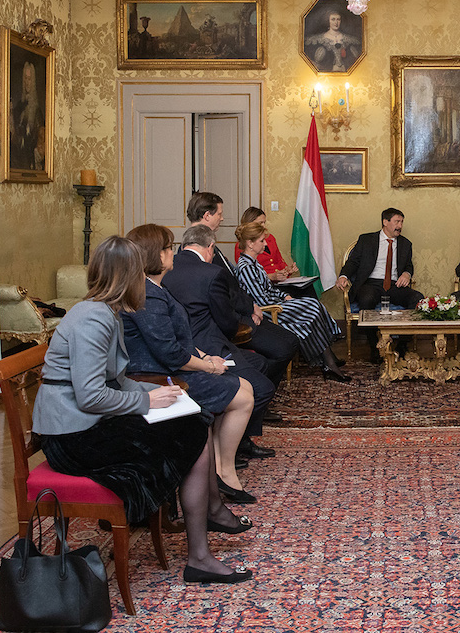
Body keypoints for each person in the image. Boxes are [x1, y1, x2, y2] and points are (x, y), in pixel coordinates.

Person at [31, 236, 253, 585]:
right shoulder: (93, 319)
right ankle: (200, 553)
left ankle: (203, 538)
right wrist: (147, 401)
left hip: (87, 424)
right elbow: (91, 396)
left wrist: (159, 392)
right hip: (72, 437)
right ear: (129, 277)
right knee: (193, 436)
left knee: (193, 421)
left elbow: (117, 381)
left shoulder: (105, 311)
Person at [121, 224, 257, 502]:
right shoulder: (147, 295)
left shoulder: (155, 288)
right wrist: (208, 367)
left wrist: (206, 356)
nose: (173, 253)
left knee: (244, 386)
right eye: (168, 248)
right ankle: (224, 471)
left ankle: (217, 468)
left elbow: (178, 338)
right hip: (158, 378)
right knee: (243, 398)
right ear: (156, 256)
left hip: (172, 369)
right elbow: (169, 352)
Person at [164, 224, 287, 483]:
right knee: (262, 388)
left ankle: (236, 437)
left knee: (260, 362)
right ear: (210, 248)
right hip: (208, 347)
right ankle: (230, 446)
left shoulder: (165, 270)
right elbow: (228, 323)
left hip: (183, 344)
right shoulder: (212, 273)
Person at [184, 194, 301, 377]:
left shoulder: (208, 245)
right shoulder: (199, 249)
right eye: (220, 213)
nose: (222, 218)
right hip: (229, 322)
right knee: (285, 345)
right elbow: (222, 293)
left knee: (290, 341)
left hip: (243, 311)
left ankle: (256, 385)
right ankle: (256, 386)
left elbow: (232, 282)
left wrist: (251, 306)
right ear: (207, 215)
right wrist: (249, 308)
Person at [235, 220, 351, 383]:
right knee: (312, 306)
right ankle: (329, 357)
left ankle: (328, 362)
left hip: (276, 304)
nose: (265, 243)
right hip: (268, 312)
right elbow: (260, 300)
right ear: (250, 243)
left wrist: (285, 297)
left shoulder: (255, 264)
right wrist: (283, 302)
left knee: (311, 308)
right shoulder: (246, 268)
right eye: (261, 241)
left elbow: (269, 289)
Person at [335, 208, 424, 362]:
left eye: (402, 222)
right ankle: (374, 346)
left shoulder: (405, 243)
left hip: (395, 285)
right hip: (371, 283)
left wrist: (406, 274)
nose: (400, 226)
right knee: (367, 298)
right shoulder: (367, 239)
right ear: (385, 222)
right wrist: (343, 276)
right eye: (397, 221)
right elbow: (353, 262)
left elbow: (408, 265)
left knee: (417, 298)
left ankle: (402, 344)